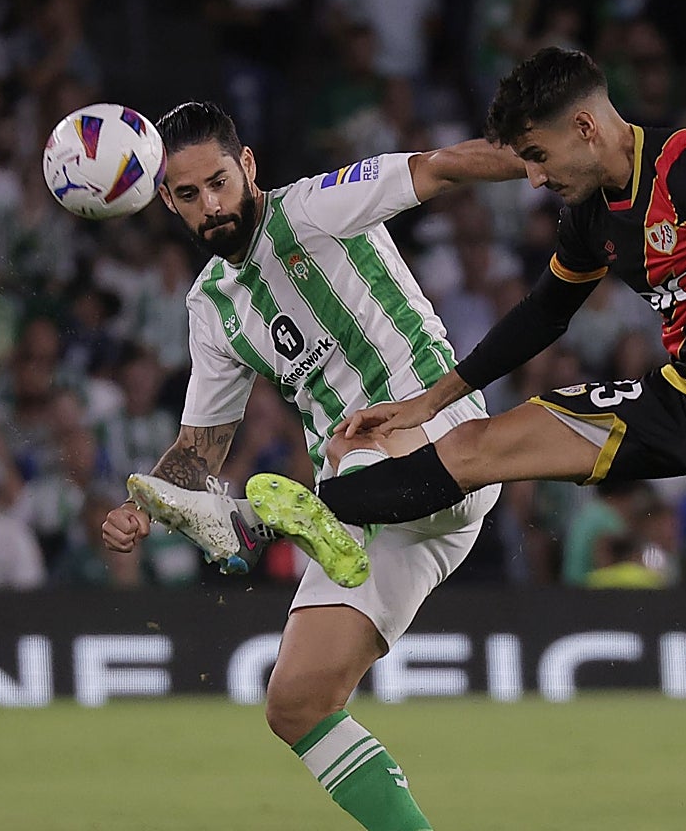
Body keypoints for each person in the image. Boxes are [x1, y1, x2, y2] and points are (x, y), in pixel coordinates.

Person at [158, 49, 686, 830]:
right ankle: (282, 516)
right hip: (678, 397)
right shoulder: (591, 217)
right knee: (476, 447)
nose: (535, 179)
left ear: (585, 128)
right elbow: (544, 315)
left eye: (540, 158)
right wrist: (431, 401)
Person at [103, 101, 523, 831]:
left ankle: (266, 519)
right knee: (295, 704)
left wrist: (542, 162)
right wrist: (144, 506)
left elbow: (438, 168)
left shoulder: (319, 207)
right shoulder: (212, 305)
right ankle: (292, 514)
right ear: (167, 200)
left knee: (347, 456)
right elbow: (201, 447)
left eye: (219, 183)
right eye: (190, 194)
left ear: (248, 166)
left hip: (440, 441)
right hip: (365, 511)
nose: (211, 206)